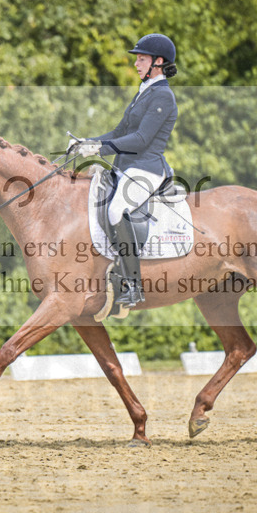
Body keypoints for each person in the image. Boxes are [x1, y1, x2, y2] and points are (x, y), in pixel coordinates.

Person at [69, 33, 178, 307]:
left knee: (117, 210)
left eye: (141, 59)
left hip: (147, 168)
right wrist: (89, 142)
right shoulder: (144, 92)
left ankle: (133, 284)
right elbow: (119, 132)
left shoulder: (163, 96)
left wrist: (100, 150)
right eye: (138, 59)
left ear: (158, 62)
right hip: (126, 167)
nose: (136, 64)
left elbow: (141, 140)